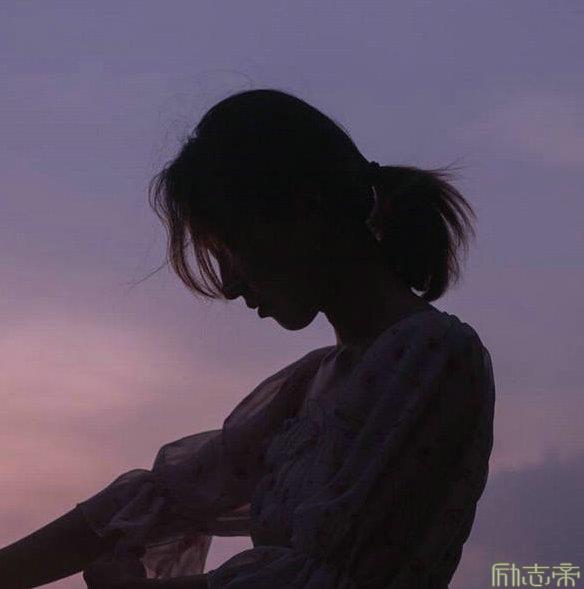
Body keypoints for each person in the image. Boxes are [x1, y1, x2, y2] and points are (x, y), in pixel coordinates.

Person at [0, 89, 495, 589]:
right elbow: (163, 497)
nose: (230, 285)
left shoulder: (433, 355)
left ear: (306, 213)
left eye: (232, 246)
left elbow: (331, 574)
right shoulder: (310, 383)